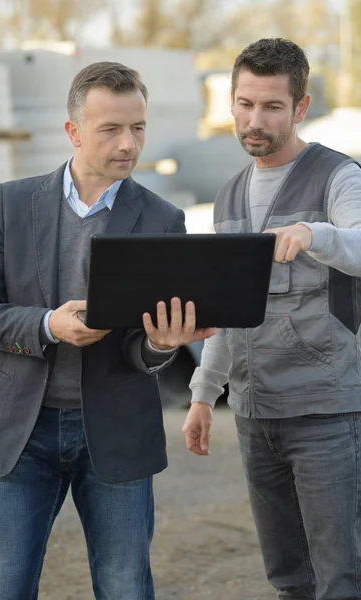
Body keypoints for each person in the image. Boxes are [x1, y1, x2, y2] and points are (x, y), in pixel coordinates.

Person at [0, 61, 216, 600]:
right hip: (20, 433)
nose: (129, 143)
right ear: (74, 132)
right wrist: (46, 325)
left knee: (125, 587)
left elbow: (143, 347)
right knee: (1, 588)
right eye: (111, 129)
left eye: (138, 127)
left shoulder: (162, 220)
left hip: (117, 433)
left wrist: (160, 345)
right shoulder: (9, 203)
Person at [182, 38, 361, 600]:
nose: (254, 120)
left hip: (328, 413)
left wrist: (316, 235)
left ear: (301, 106)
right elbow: (226, 309)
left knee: (341, 579)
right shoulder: (229, 195)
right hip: (255, 417)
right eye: (245, 103)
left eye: (272, 106)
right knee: (288, 579)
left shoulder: (338, 177)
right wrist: (202, 394)